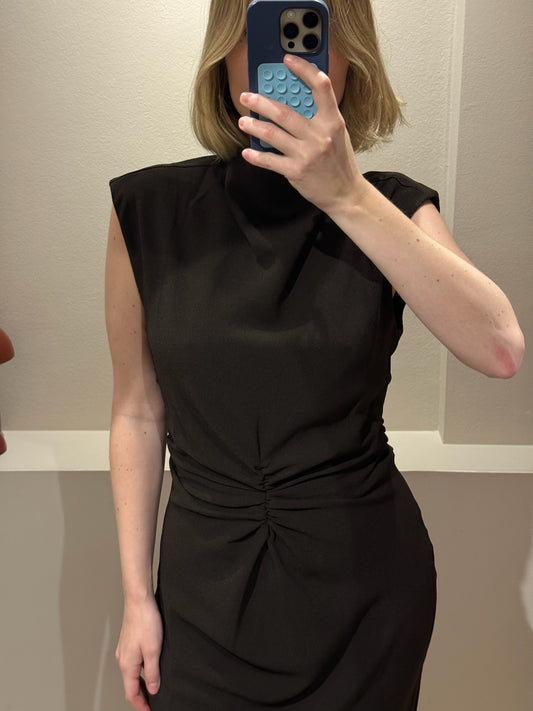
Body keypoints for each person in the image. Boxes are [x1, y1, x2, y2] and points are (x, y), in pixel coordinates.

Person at [105, 1, 525, 709]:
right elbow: (137, 413)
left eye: (311, 28)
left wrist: (347, 195)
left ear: (350, 51)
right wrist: (135, 597)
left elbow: (500, 348)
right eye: (263, 26)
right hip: (202, 595)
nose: (289, 57)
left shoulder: (391, 208)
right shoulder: (147, 211)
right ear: (225, 47)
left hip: (365, 597)